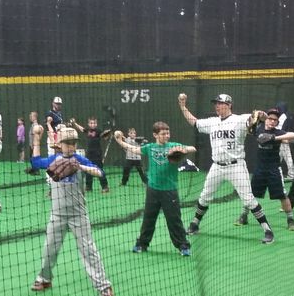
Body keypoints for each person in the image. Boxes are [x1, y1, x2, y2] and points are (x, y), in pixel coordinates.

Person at [29, 126, 113, 296]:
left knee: (88, 249)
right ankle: (45, 279)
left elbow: (100, 172)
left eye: (73, 143)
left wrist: (80, 166)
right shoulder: (54, 159)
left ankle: (104, 286)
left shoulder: (79, 159)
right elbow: (35, 162)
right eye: (67, 143)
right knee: (49, 249)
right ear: (60, 143)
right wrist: (37, 138)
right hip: (57, 214)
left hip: (78, 214)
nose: (71, 146)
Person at [178, 92, 275, 245]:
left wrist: (262, 115)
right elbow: (194, 122)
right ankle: (195, 224)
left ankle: (267, 230)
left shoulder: (240, 119)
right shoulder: (212, 122)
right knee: (204, 197)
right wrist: (183, 106)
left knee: (248, 199)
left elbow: (258, 118)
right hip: (216, 166)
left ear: (229, 105)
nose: (217, 106)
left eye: (220, 103)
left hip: (236, 166)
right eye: (215, 103)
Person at [114, 122, 196, 255]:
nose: (166, 136)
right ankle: (142, 244)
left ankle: (183, 246)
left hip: (170, 191)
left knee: (174, 219)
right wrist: (119, 140)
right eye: (163, 134)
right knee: (148, 218)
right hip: (153, 190)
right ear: (155, 135)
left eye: (168, 133)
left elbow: (193, 148)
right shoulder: (150, 147)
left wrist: (182, 150)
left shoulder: (173, 145)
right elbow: (133, 149)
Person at [234, 109, 294, 230]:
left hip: (274, 169)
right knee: (250, 194)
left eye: (275, 120)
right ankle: (244, 215)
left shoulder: (278, 132)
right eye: (270, 119)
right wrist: (256, 117)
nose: (272, 121)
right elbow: (249, 126)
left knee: (282, 195)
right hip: (259, 169)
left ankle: (290, 219)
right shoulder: (259, 129)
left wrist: (274, 138)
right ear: (266, 119)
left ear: (277, 122)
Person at [69, 117, 111, 193]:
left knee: (99, 170)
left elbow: (105, 137)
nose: (93, 125)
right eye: (91, 123)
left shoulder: (98, 131)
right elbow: (82, 129)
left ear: (96, 124)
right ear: (89, 124)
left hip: (97, 155)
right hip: (89, 154)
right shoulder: (88, 130)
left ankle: (105, 187)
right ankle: (88, 187)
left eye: (94, 123)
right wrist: (74, 123)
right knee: (88, 171)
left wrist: (107, 135)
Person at [274, 101, 294, 181]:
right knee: (279, 157)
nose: (277, 109)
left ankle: (291, 175)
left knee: (287, 157)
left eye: (278, 108)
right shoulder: (285, 115)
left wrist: (282, 138)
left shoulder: (283, 116)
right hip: (282, 138)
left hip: (282, 139)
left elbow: (282, 128)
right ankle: (277, 173)